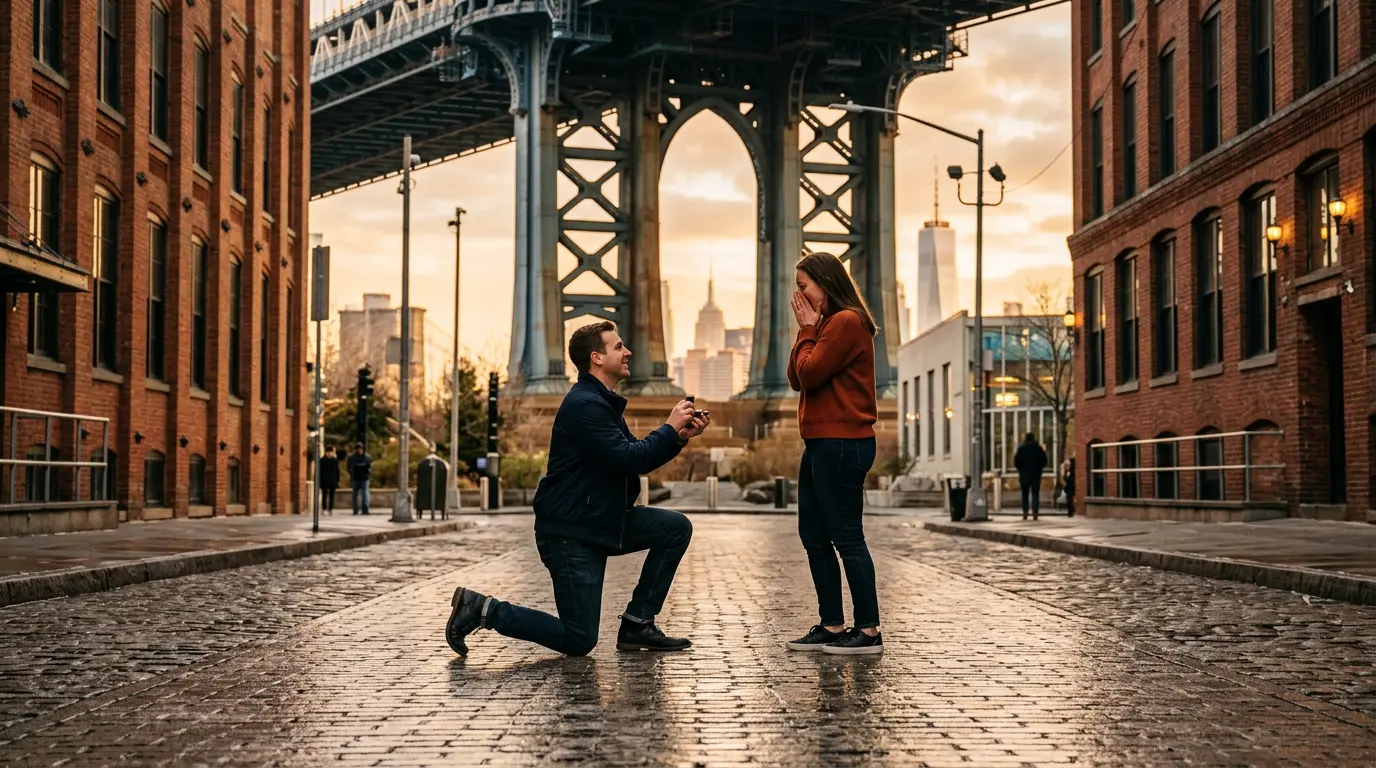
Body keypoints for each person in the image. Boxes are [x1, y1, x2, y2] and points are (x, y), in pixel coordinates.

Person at [445, 321, 709, 657]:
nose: (628, 352)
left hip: (601, 520)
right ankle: (481, 608)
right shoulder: (585, 405)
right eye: (618, 347)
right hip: (572, 532)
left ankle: (638, 623)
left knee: (674, 528)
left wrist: (678, 438)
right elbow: (629, 459)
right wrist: (669, 427)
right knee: (579, 639)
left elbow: (633, 455)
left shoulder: (603, 401)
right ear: (597, 358)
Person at [784, 252, 884, 656]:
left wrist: (808, 329)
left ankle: (869, 630)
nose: (799, 294)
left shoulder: (845, 322)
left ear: (825, 283)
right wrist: (806, 331)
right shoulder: (825, 326)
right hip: (821, 443)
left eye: (804, 285)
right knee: (813, 535)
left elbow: (808, 374)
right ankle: (831, 623)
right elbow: (797, 377)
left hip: (843, 443)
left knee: (847, 537)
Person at [1013, 432, 1049, 520]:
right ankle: (1035, 513)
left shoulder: (1021, 449)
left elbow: (1016, 461)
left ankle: (1025, 513)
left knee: (1024, 495)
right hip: (1035, 475)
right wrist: (1039, 469)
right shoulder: (1038, 448)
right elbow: (1044, 461)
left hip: (1024, 474)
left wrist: (1021, 469)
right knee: (1035, 494)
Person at [346, 443, 373, 515]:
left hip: (365, 478)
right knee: (355, 495)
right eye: (358, 449)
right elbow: (348, 468)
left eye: (361, 449)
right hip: (355, 478)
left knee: (365, 494)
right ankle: (355, 509)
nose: (359, 450)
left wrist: (368, 472)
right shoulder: (352, 458)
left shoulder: (367, 457)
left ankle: (365, 509)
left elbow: (370, 467)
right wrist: (352, 472)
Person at [318, 445, 340, 514]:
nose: (331, 453)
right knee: (324, 495)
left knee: (331, 495)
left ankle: (330, 509)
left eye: (332, 452)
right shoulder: (321, 460)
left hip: (332, 480)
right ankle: (324, 508)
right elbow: (319, 471)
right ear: (326, 452)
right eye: (330, 452)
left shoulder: (335, 460)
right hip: (324, 480)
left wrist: (337, 480)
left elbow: (337, 471)